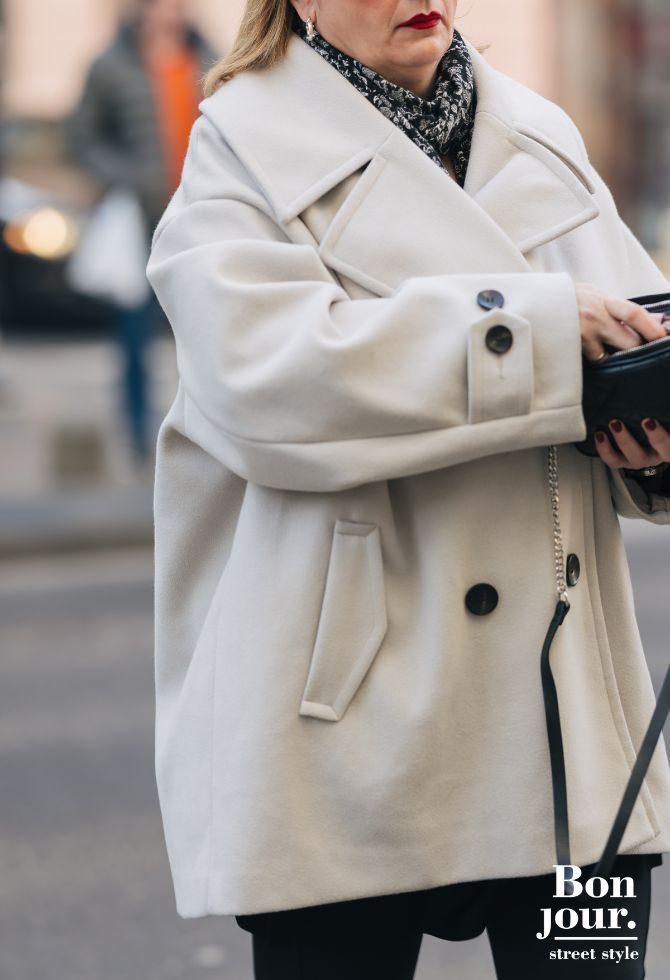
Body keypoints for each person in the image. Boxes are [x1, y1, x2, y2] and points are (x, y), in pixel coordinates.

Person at [145, 2, 670, 977]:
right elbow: (265, 382)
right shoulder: (244, 146)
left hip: (562, 731)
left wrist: (651, 442)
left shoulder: (537, 132)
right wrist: (534, 337)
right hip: (341, 727)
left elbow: (630, 332)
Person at [66, 0, 217, 465]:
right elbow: (83, 137)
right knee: (133, 335)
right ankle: (137, 435)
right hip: (138, 221)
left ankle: (211, 433)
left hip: (200, 216)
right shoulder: (111, 66)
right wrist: (126, 177)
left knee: (208, 330)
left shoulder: (208, 59)